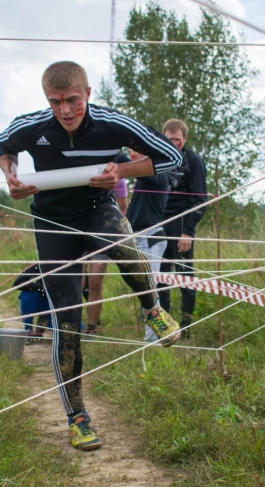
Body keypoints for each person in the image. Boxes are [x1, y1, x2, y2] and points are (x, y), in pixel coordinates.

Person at [0, 60, 183, 451]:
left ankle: (151, 308)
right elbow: (4, 145)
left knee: (120, 240)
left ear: (88, 95)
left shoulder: (114, 124)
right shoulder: (31, 125)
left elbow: (170, 158)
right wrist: (11, 176)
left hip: (97, 206)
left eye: (73, 101)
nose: (64, 110)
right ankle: (77, 418)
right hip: (51, 222)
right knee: (66, 322)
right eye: (55, 102)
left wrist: (121, 171)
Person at [158, 119, 207, 338]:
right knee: (160, 278)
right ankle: (165, 328)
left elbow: (200, 200)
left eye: (178, 140)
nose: (174, 143)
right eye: (170, 139)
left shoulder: (193, 161)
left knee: (185, 276)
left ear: (184, 139)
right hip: (159, 224)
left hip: (182, 224)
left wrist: (188, 231)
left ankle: (186, 327)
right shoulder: (158, 158)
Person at [126, 151, 171, 342]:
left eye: (134, 151)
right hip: (137, 235)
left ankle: (153, 338)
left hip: (152, 236)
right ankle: (151, 335)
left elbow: (128, 165)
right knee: (143, 286)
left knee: (151, 287)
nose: (130, 154)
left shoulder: (159, 174)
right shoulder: (143, 179)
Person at [81, 178, 128, 336]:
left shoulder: (117, 179)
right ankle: (70, 324)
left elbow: (123, 207)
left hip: (102, 236)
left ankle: (91, 328)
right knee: (76, 281)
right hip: (78, 232)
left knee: (95, 281)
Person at [13, 264, 51, 342]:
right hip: (40, 300)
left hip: (57, 305)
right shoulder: (41, 265)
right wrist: (41, 288)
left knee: (69, 330)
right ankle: (28, 330)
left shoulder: (67, 265)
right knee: (27, 294)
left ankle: (45, 322)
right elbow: (18, 283)